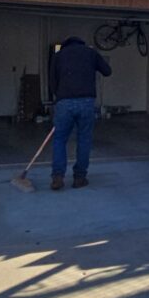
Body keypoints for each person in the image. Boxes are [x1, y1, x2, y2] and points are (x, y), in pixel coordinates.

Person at [48, 36, 111, 190]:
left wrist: (59, 96)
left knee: (59, 139)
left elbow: (51, 81)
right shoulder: (90, 53)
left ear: (65, 44)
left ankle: (57, 176)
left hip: (64, 102)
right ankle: (79, 178)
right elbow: (107, 71)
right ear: (81, 44)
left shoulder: (58, 56)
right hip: (86, 101)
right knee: (84, 140)